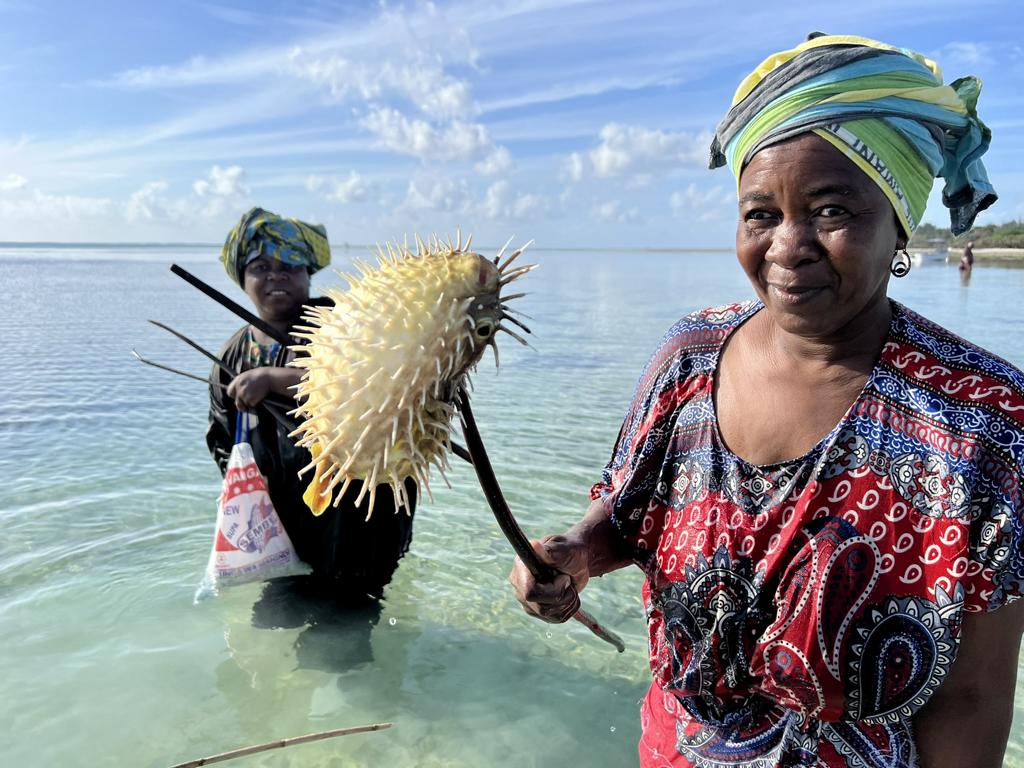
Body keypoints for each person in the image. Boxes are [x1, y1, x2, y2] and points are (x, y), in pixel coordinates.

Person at [510, 34, 1024, 767]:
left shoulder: (986, 423)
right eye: (761, 215)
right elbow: (630, 511)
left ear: (899, 222)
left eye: (830, 210)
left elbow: (971, 701)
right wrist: (572, 555)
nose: (788, 245)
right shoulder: (688, 358)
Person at [207, 207, 417, 605]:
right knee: (273, 617)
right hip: (281, 517)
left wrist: (275, 379)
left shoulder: (343, 324)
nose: (276, 274)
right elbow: (221, 438)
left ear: (309, 273)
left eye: (291, 264)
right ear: (242, 277)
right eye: (261, 266)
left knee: (349, 617)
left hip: (359, 510)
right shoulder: (231, 356)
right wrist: (247, 493)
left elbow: (377, 379)